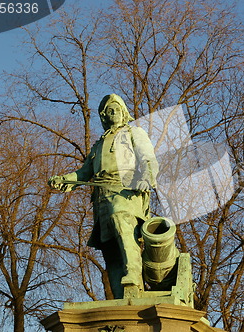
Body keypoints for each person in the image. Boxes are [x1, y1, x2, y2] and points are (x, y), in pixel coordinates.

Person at [48, 94, 159, 299]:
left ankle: (133, 278)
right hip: (101, 198)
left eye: (117, 108)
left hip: (125, 192)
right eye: (109, 110)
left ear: (123, 112)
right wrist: (64, 180)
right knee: (109, 247)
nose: (113, 112)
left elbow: (147, 157)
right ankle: (119, 295)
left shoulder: (133, 132)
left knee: (123, 224)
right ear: (104, 116)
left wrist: (147, 177)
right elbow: (83, 173)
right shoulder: (98, 145)